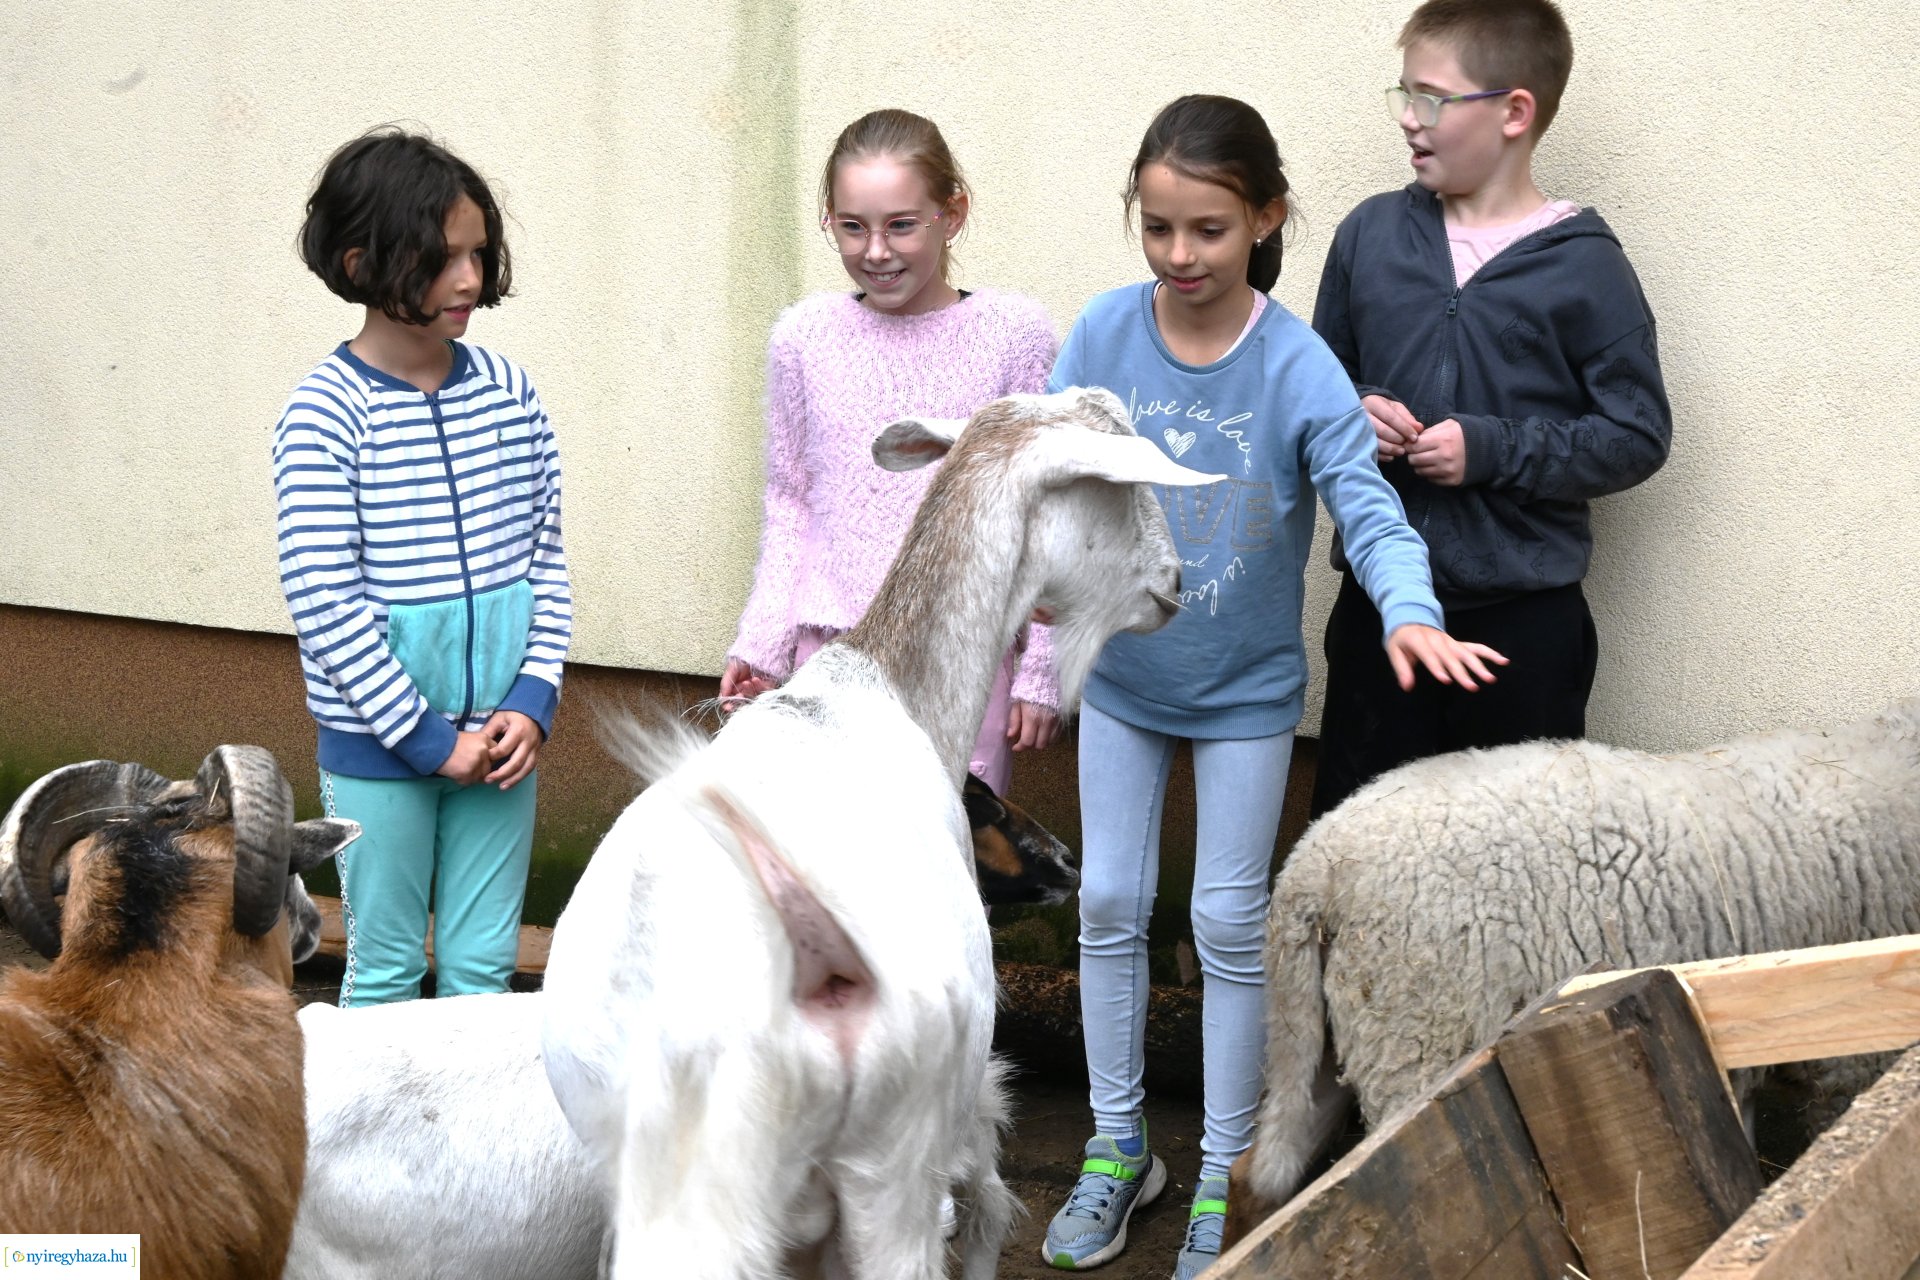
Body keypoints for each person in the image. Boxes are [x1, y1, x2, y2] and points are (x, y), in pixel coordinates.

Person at [1039, 95, 1504, 1278]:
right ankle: (1115, 1147)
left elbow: (1371, 510)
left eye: (1206, 228)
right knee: (1109, 900)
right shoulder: (1102, 334)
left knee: (1227, 922)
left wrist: (1411, 609)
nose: (1179, 253)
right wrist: (1041, 603)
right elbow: (1047, 473)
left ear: (1264, 217)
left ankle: (1223, 1169)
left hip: (1244, 693)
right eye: (1157, 227)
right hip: (1124, 674)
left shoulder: (1299, 366)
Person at [1309, 0, 1672, 819]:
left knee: (1516, 854)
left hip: (1522, 625)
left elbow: (1637, 435)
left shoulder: (1586, 267)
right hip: (1379, 612)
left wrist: (1492, 449)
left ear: (1514, 112)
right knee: (1359, 844)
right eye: (1404, 94)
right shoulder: (1370, 235)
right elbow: (1317, 382)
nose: (1409, 118)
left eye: (1433, 99)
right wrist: (1354, 411)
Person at [273, 128, 572, 1008]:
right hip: (379, 751)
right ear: (360, 262)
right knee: (385, 972)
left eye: (478, 253)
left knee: (484, 977)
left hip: (504, 745)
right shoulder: (324, 415)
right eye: (442, 260)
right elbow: (324, 603)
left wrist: (533, 700)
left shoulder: (510, 392)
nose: (470, 279)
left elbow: (546, 559)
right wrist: (430, 742)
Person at [720, 109, 1062, 790]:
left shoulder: (1014, 336)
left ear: (951, 214)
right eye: (852, 227)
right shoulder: (804, 339)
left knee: (949, 846)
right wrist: (762, 643)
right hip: (831, 659)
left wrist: (1042, 666)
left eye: (901, 225)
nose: (876, 251)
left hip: (962, 660)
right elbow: (791, 502)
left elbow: (1045, 507)